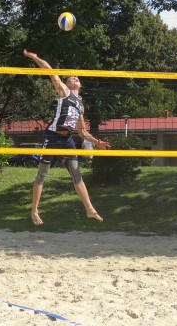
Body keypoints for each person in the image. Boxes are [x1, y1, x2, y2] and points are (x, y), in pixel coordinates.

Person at [23, 49, 110, 226]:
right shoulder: (63, 91)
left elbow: (82, 132)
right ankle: (34, 211)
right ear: (66, 83)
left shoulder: (81, 105)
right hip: (52, 136)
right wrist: (36, 57)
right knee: (42, 174)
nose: (75, 78)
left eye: (77, 78)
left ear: (80, 85)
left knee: (76, 174)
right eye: (71, 77)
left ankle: (89, 209)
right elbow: (50, 72)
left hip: (67, 140)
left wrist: (97, 142)